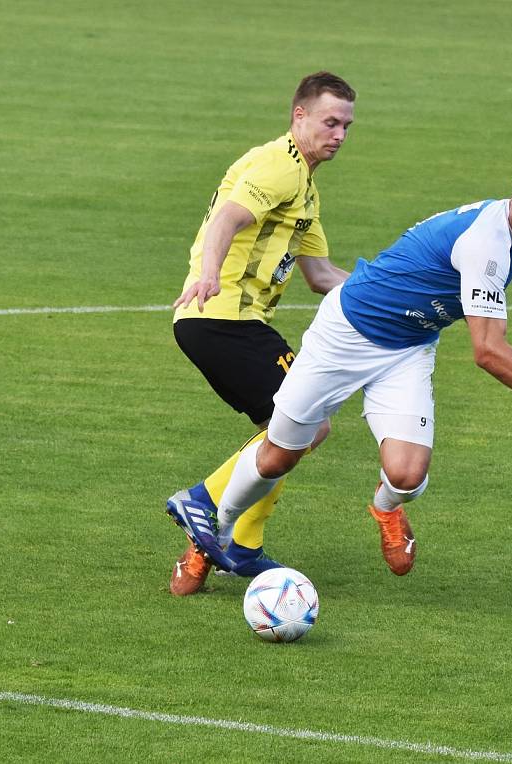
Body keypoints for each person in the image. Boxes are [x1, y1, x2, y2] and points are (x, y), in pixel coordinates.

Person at [175, 147, 512, 578]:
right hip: (344, 334)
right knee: (278, 457)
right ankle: (214, 533)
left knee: (406, 475)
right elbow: (489, 352)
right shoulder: (486, 242)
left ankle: (385, 508)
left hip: (408, 349)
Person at [165, 71, 356, 595]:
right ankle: (203, 503)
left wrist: (391, 291)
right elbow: (226, 219)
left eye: (346, 126)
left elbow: (322, 277)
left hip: (233, 325)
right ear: (299, 116)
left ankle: (241, 543)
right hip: (222, 317)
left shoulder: (306, 190)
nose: (338, 134)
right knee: (302, 425)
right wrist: (208, 273)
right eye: (329, 121)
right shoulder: (278, 166)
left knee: (295, 428)